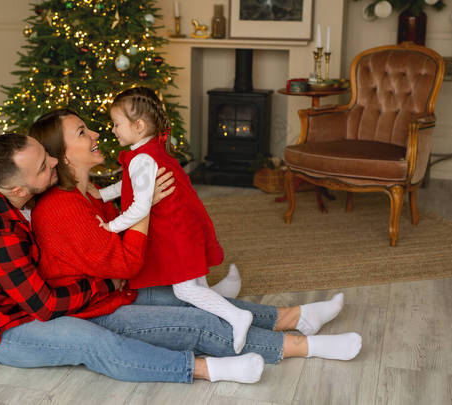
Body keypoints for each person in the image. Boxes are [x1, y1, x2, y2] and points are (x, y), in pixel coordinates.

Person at [28, 107, 362, 383]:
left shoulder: (87, 193)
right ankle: (304, 345)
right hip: (93, 313)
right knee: (198, 323)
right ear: (62, 156)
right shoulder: (62, 206)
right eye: (82, 132)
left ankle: (294, 317)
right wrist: (147, 206)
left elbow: (112, 253)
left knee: (199, 300)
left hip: (114, 292)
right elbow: (125, 262)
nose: (97, 134)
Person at [86, 87, 252, 354]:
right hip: (185, 225)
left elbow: (140, 206)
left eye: (116, 124)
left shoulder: (141, 157)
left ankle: (237, 316)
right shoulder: (150, 149)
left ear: (138, 126)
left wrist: (111, 227)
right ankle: (219, 296)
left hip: (175, 232)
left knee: (184, 290)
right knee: (193, 282)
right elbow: (129, 184)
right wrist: (104, 194)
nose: (113, 130)